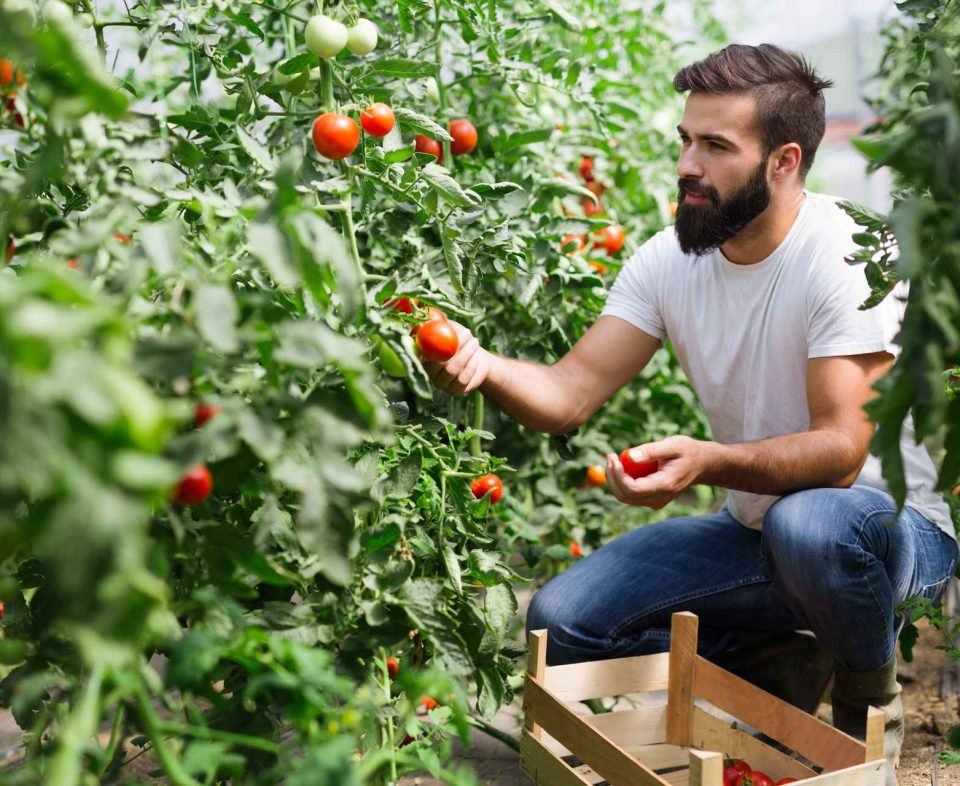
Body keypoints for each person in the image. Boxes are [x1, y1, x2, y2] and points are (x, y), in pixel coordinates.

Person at [423, 43, 957, 783]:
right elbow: (569, 392)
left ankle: (867, 702)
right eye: (686, 141)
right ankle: (790, 656)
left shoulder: (846, 253)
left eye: (715, 146)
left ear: (784, 161)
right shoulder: (668, 261)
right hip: (759, 531)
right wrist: (481, 366)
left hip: (886, 531)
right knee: (563, 620)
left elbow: (841, 452)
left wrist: (707, 460)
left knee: (811, 526)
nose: (688, 166)